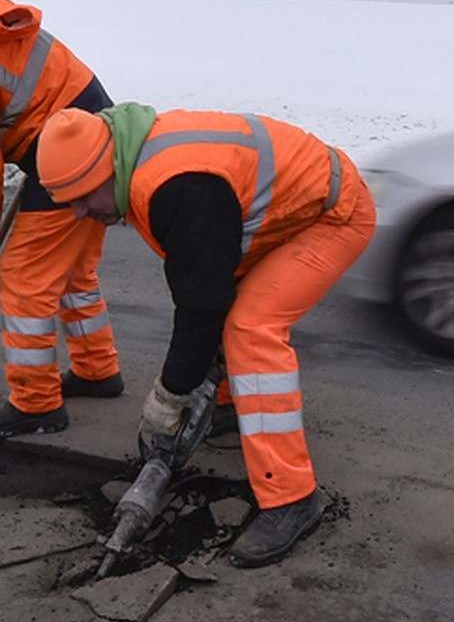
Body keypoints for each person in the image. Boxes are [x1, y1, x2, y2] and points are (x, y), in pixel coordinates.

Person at [36, 103, 376, 568]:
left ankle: (291, 498)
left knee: (250, 326)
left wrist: (169, 394)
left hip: (333, 214)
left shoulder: (176, 185)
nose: (79, 213)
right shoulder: (134, 156)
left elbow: (201, 307)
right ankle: (234, 405)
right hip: (283, 215)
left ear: (104, 168)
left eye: (81, 197)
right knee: (226, 307)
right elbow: (205, 283)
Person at [0, 0, 123, 437]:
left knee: (22, 276)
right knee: (72, 271)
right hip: (92, 137)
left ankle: (36, 404)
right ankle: (97, 370)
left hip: (69, 148)